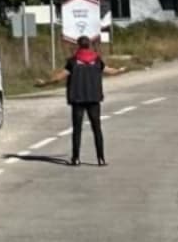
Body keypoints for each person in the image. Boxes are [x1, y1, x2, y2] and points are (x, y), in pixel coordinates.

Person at [51, 34, 125, 166]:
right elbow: (109, 71)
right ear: (89, 45)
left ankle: (76, 158)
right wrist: (120, 70)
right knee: (97, 129)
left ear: (78, 45)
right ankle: (101, 159)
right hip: (94, 98)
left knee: (77, 129)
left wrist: (44, 82)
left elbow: (59, 77)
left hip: (78, 99)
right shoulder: (97, 60)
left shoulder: (73, 61)